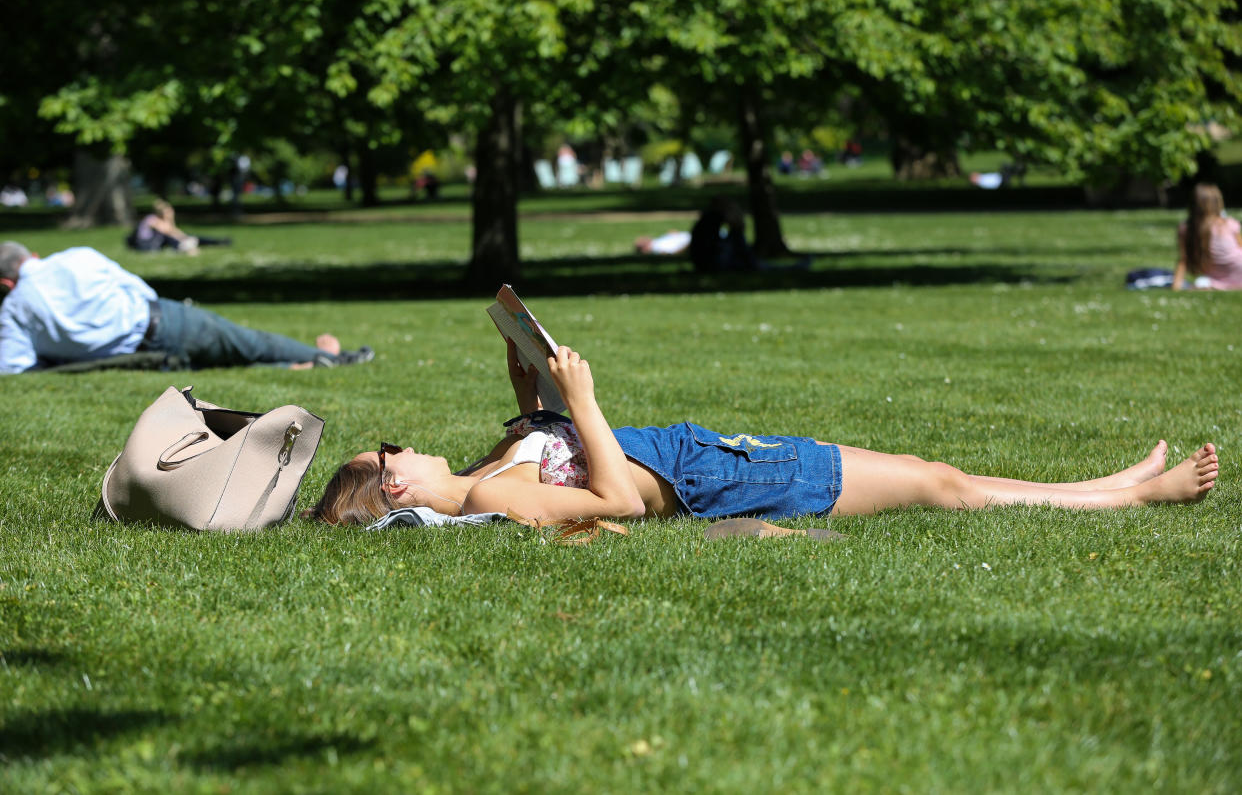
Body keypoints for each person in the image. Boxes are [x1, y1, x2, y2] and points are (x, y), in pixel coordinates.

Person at [311, 340, 1219, 528]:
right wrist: (584, 400)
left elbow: (558, 456)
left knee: (934, 472)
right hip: (723, 484)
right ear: (394, 485)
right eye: (391, 452)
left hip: (716, 460)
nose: (405, 447)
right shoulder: (492, 497)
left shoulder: (483, 479)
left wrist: (534, 392)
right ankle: (1133, 495)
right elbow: (618, 498)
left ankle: (1115, 487)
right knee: (939, 483)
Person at [0, 242, 373, 373]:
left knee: (218, 370)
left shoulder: (14, 309)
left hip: (135, 358)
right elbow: (135, 285)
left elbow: (17, 367)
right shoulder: (75, 257)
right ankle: (331, 359)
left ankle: (306, 364)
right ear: (32, 255)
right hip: (165, 320)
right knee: (248, 344)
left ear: (5, 284)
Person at [1172, 183, 1242, 291]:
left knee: (1201, 282)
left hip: (1215, 280)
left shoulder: (1187, 229)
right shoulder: (1229, 224)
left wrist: (1175, 287)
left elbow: (1183, 261)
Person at [127, 199, 232, 254]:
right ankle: (187, 249)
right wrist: (171, 220)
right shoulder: (152, 220)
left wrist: (186, 237)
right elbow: (169, 232)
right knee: (169, 238)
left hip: (153, 244)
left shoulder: (156, 219)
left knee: (191, 237)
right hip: (146, 246)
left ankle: (218, 242)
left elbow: (175, 232)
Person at [688, 198, 759, 273]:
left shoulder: (709, 219)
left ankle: (753, 264)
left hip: (708, 262)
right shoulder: (712, 219)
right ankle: (754, 264)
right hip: (712, 263)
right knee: (737, 235)